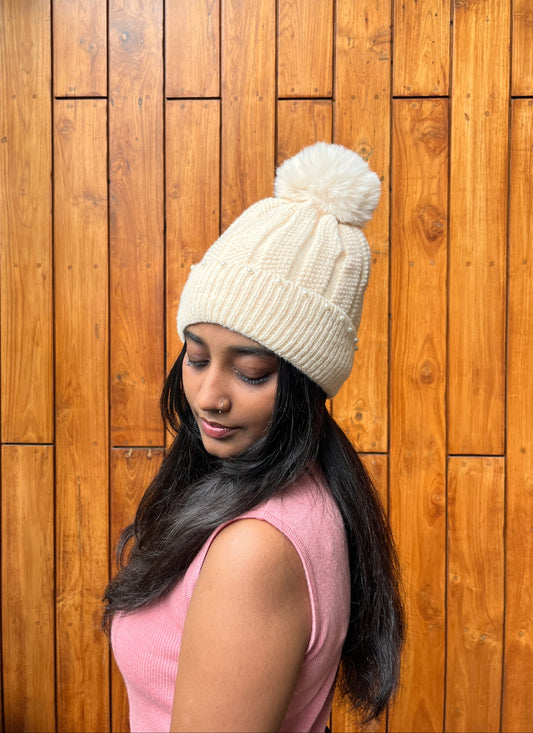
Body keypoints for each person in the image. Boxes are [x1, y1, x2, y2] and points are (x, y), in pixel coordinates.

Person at [103, 142, 404, 733]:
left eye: (251, 373)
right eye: (196, 358)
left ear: (304, 384)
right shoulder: (296, 491)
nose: (209, 396)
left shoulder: (255, 551)